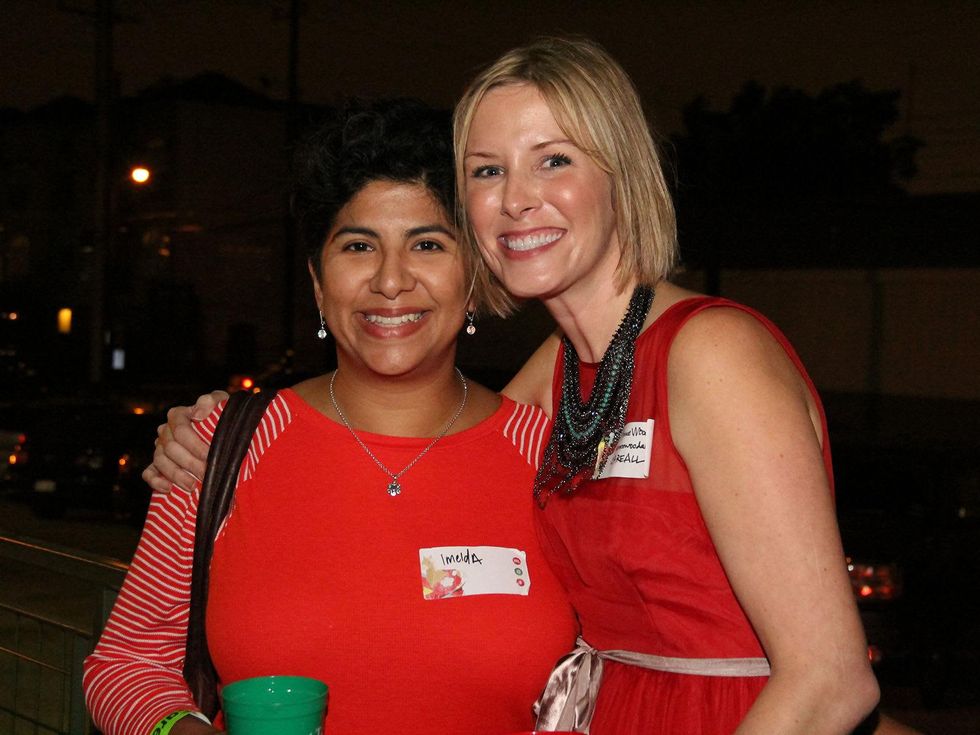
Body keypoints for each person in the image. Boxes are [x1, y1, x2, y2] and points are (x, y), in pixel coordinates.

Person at [150, 38, 887, 735]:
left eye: (553, 160)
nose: (516, 199)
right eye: (487, 170)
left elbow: (831, 678)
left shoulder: (712, 352)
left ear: (622, 176)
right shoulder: (565, 373)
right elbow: (439, 419)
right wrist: (209, 427)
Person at [84, 99, 577, 735]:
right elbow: (127, 660)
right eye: (358, 245)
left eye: (428, 244)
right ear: (320, 283)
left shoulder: (550, 459)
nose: (391, 280)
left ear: (475, 277)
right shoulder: (224, 442)